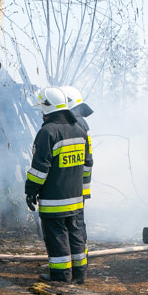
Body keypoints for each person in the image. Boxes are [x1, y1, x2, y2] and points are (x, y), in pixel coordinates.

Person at [25, 86, 90, 283]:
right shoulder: (79, 130)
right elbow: (87, 165)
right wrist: (83, 191)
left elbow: (39, 169)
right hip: (76, 198)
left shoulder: (47, 132)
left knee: (57, 237)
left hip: (54, 199)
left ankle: (61, 277)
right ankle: (79, 275)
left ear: (46, 108)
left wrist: (30, 191)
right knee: (76, 235)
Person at [61, 85, 93, 204]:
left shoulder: (74, 123)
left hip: (74, 186)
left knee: (74, 221)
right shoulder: (82, 122)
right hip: (79, 185)